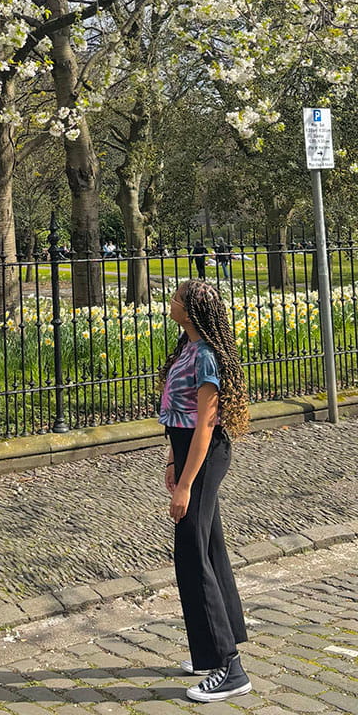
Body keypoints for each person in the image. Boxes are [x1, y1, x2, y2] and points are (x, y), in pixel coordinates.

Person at [158, 278, 251, 703]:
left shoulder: (208, 358)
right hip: (188, 453)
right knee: (209, 548)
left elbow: (205, 426)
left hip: (206, 456)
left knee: (192, 553)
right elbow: (179, 419)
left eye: (177, 298)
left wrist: (186, 485)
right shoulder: (187, 348)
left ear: (193, 310)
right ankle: (210, 649)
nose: (171, 302)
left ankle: (229, 667)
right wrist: (173, 462)